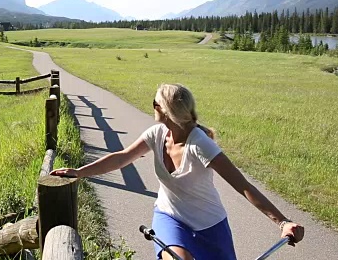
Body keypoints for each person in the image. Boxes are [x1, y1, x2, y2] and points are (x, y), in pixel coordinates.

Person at [50, 83, 304, 260]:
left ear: (166, 110)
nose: (152, 107)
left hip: (209, 224)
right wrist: (79, 172)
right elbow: (122, 158)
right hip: (169, 216)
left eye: (155, 103)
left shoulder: (200, 144)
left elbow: (242, 185)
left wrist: (283, 222)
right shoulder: (157, 134)